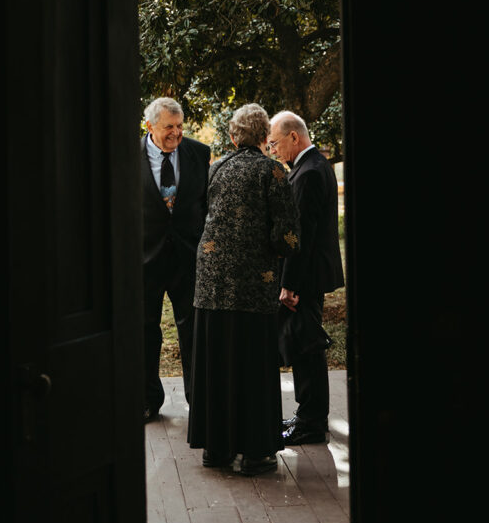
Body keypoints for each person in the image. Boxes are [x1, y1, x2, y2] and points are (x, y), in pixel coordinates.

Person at [188, 103, 300, 476]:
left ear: (234, 136)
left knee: (218, 362)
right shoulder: (273, 170)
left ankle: (216, 450)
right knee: (253, 365)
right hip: (253, 284)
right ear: (264, 136)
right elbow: (285, 235)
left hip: (211, 283)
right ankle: (256, 452)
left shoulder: (217, 168)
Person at [268, 110, 344, 445]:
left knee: (307, 349)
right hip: (311, 275)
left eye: (276, 142)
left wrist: (290, 285)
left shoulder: (309, 172)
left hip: (306, 277)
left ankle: (312, 422)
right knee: (304, 346)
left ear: (294, 137)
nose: (274, 150)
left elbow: (302, 236)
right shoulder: (314, 166)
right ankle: (307, 416)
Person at [142, 96, 210, 422]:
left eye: (180, 126)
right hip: (144, 261)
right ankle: (146, 400)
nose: (176, 133)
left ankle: (200, 402)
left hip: (189, 259)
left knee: (194, 331)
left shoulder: (199, 153)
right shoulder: (126, 158)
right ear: (150, 126)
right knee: (144, 331)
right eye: (169, 127)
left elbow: (207, 207)